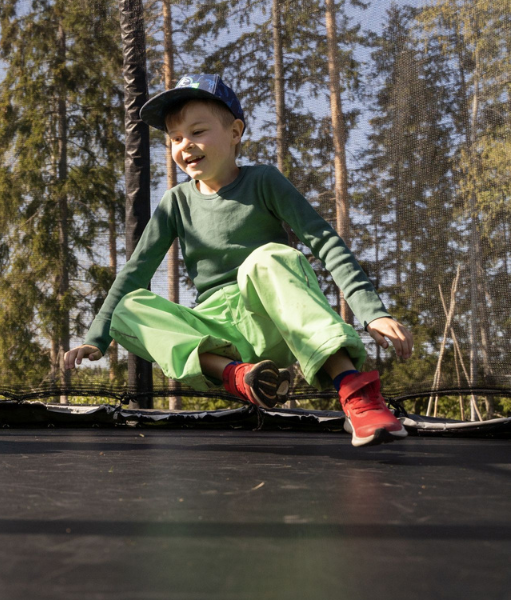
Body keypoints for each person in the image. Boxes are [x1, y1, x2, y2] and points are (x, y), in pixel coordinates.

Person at [65, 74, 413, 447]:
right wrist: (96, 337)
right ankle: (240, 376)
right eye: (175, 139)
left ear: (234, 132)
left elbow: (324, 240)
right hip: (220, 333)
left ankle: (356, 395)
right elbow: (135, 272)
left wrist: (371, 309)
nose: (186, 146)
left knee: (267, 259)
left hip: (271, 317)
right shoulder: (176, 202)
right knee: (128, 307)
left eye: (197, 131)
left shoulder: (263, 181)